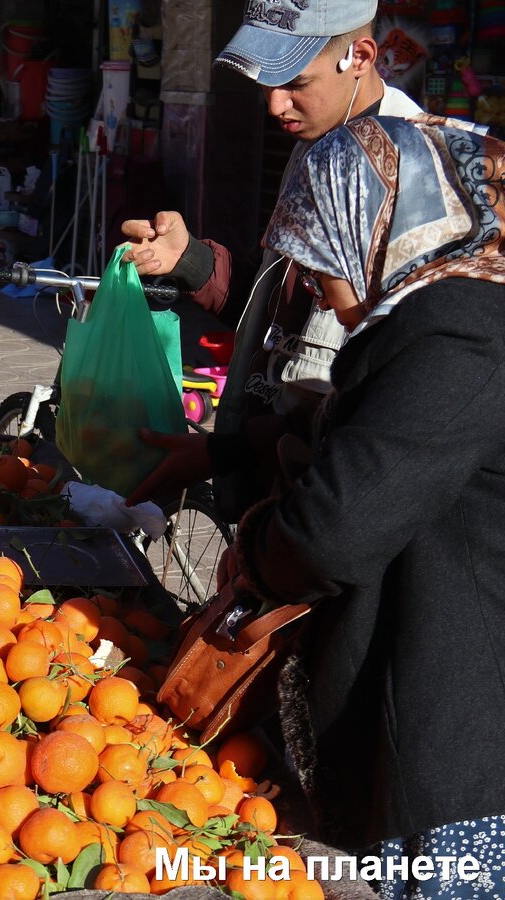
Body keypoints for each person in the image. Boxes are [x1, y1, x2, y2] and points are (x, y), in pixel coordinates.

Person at [225, 113, 505, 896]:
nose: (313, 283)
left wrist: (254, 550)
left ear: (387, 222)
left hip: (456, 758)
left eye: (321, 258)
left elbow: (331, 534)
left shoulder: (462, 331)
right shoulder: (450, 317)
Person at [120, 0, 423, 519]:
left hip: (333, 504)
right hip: (269, 477)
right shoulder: (318, 144)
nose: (274, 105)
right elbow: (278, 309)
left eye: (295, 83)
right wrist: (189, 260)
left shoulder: (417, 177)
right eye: (265, 83)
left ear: (361, 55)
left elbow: (406, 398)